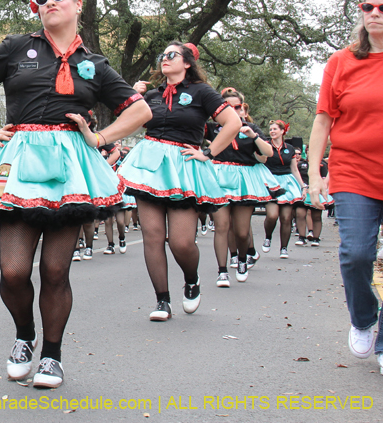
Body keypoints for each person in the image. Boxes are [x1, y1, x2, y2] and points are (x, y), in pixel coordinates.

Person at [0, 0, 151, 388]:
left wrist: (100, 137)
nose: (47, 4)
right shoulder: (16, 48)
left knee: (54, 271)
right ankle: (24, 336)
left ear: (77, 2)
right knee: (12, 271)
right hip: (18, 163)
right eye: (40, 0)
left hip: (70, 171)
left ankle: (52, 354)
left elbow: (139, 111)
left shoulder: (95, 64)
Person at [118, 42, 239, 320]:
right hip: (148, 166)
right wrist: (132, 98)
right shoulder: (152, 94)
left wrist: (208, 153)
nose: (165, 59)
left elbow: (231, 123)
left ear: (187, 63)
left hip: (183, 168)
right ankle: (162, 301)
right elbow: (128, 122)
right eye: (163, 55)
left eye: (172, 55)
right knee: (153, 236)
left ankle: (192, 279)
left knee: (181, 243)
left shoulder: (202, 92)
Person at [307, 0, 383, 373]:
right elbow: (323, 122)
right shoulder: (342, 62)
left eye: (382, 9)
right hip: (353, 170)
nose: (374, 15)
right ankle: (364, 317)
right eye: (368, 7)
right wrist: (316, 172)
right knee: (357, 255)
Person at [206, 88, 278, 285]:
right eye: (227, 106)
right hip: (219, 177)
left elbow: (268, 153)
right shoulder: (212, 128)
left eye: (237, 106)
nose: (233, 109)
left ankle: (243, 260)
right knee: (222, 226)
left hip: (244, 180)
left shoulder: (251, 127)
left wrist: (253, 136)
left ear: (242, 109)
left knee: (242, 230)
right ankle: (222, 271)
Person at [261, 120, 301, 258]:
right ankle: (268, 237)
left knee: (286, 217)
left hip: (287, 182)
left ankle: (284, 248)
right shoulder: (265, 145)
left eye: (275, 129)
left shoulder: (290, 148)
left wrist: (303, 185)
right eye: (270, 129)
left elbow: (294, 169)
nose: (272, 131)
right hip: (270, 181)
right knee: (272, 216)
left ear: (283, 131)